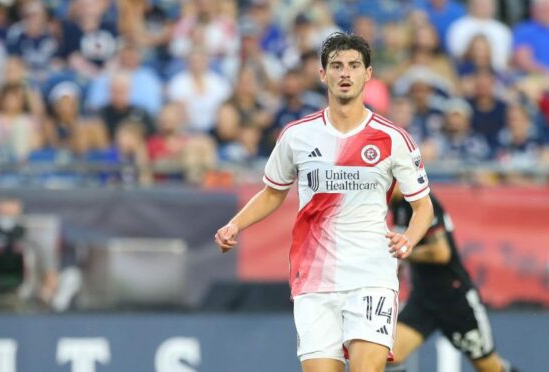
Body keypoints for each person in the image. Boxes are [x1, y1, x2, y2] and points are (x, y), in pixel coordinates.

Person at [214, 32, 434, 372]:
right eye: (336, 66)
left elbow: (423, 206)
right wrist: (235, 224)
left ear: (368, 74)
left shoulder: (393, 139)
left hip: (371, 273)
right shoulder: (297, 136)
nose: (345, 73)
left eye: (353, 66)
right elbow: (274, 191)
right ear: (322, 75)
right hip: (315, 277)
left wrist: (409, 239)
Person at [386, 188, 518, 372]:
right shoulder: (396, 205)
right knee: (390, 356)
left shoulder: (422, 203)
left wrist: (400, 252)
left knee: (490, 367)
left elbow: (441, 252)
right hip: (423, 298)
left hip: (454, 298)